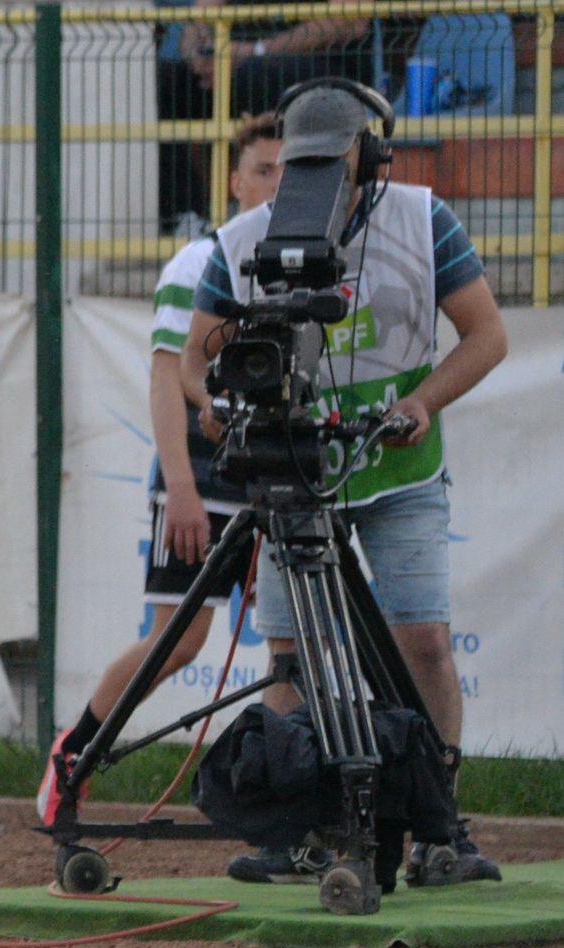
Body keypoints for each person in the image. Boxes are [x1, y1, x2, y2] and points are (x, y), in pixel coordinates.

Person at [181, 83, 508, 885]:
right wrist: (212, 405)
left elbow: (485, 335)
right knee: (289, 656)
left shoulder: (423, 219)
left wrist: (422, 401)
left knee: (422, 642)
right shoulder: (242, 239)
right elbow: (193, 358)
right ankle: (294, 828)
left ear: (367, 155)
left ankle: (438, 828)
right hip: (291, 477)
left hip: (398, 474)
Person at [37, 113, 281, 828]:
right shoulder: (199, 261)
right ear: (234, 182)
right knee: (177, 641)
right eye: (263, 171)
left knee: (294, 642)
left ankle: (288, 800)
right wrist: (180, 487)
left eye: (290, 172)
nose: (277, 186)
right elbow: (167, 375)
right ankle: (73, 755)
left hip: (276, 476)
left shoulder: (304, 267)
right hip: (202, 478)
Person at [158, 4, 372, 234]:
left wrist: (256, 51)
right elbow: (198, 18)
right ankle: (186, 216)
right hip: (232, 63)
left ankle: (286, 212)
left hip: (318, 66)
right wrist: (199, 56)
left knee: (253, 74)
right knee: (164, 80)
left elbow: (353, 22)